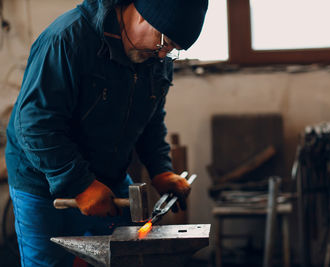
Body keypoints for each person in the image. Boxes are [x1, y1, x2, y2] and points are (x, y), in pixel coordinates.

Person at [5, 0, 208, 266]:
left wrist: (161, 169)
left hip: (106, 177)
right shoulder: (67, 39)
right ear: (141, 13)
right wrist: (79, 184)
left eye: (172, 50)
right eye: (164, 42)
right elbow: (35, 124)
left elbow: (151, 117)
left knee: (125, 257)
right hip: (42, 178)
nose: (163, 55)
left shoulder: (154, 57)